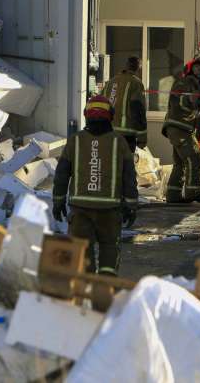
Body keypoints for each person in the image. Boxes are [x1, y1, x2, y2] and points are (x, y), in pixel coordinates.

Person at [52, 95, 138, 275]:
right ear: (111, 115)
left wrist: (58, 201)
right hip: (110, 210)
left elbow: (61, 174)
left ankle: (86, 289)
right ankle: (105, 288)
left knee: (83, 253)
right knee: (109, 249)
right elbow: (129, 177)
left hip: (80, 210)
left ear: (86, 115)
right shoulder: (119, 142)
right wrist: (131, 205)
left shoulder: (75, 140)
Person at [162, 58, 200, 203]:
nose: (198, 71)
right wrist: (191, 100)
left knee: (181, 162)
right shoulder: (186, 82)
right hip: (181, 128)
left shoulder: (195, 86)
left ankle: (173, 195)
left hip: (178, 128)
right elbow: (181, 101)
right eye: (195, 68)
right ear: (190, 70)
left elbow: (197, 118)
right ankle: (192, 193)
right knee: (194, 159)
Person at [102, 56, 148, 153]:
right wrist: (142, 137)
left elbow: (99, 104)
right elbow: (138, 109)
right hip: (126, 134)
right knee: (125, 165)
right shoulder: (136, 83)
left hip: (107, 132)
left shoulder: (110, 82)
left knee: (109, 163)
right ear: (138, 68)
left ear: (126, 66)